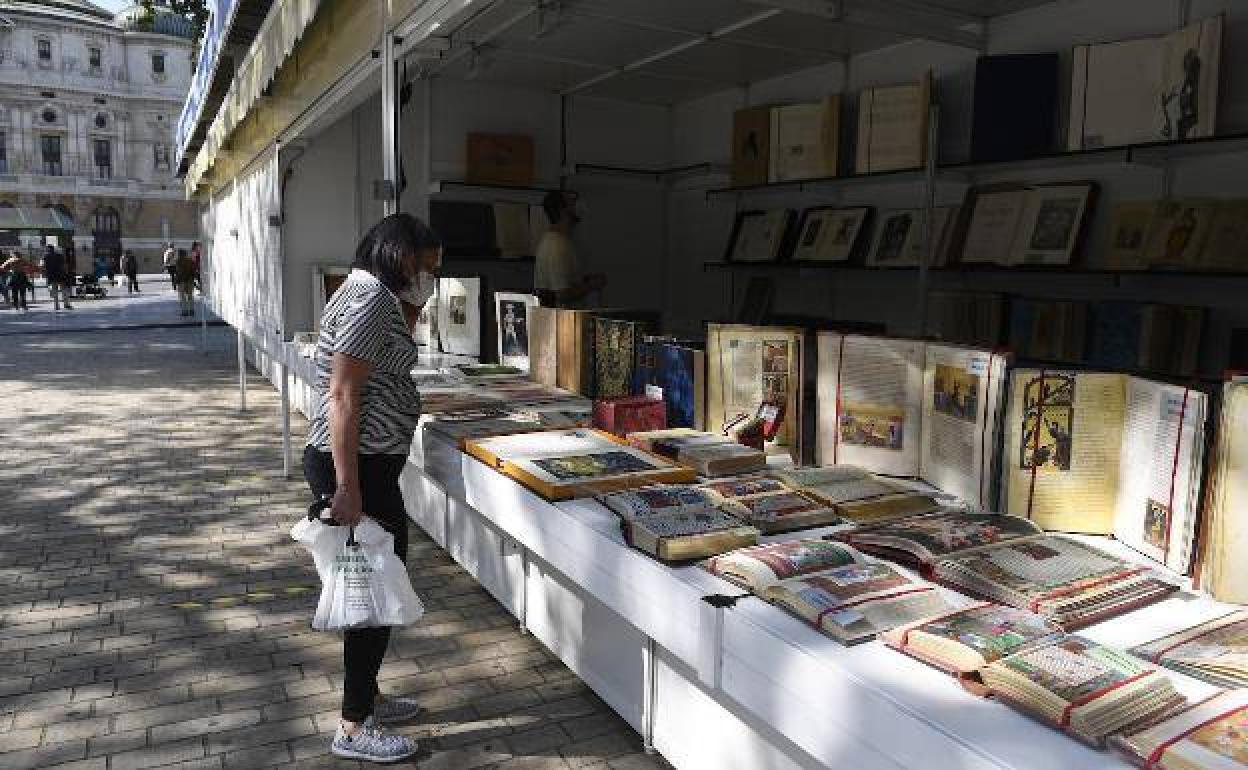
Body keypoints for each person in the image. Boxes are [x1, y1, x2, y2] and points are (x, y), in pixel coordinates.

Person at [303, 213, 441, 764]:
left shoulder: (364, 293)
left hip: (365, 466)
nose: (428, 277)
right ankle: (354, 726)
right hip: (357, 469)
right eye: (425, 265)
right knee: (372, 596)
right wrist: (347, 485)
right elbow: (342, 396)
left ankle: (367, 697)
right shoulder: (369, 299)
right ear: (397, 254)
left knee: (371, 587)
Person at [533, 190, 605, 307]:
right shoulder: (556, 246)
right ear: (563, 210)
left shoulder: (561, 241)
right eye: (573, 201)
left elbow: (564, 282)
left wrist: (584, 281)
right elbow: (562, 294)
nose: (578, 206)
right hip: (563, 322)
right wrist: (592, 285)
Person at [41, 245, 72, 311]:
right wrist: (66, 273)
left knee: (55, 291)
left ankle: (56, 305)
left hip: (52, 275)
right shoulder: (59, 255)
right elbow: (64, 265)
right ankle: (66, 304)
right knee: (64, 290)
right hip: (61, 275)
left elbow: (43, 266)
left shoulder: (45, 257)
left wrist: (45, 274)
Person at [174, 248, 196, 316]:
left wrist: (176, 281)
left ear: (180, 254)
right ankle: (191, 310)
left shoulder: (178, 261)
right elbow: (193, 271)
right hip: (189, 281)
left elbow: (178, 272)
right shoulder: (190, 261)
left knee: (182, 297)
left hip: (181, 281)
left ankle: (184, 311)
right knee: (190, 296)